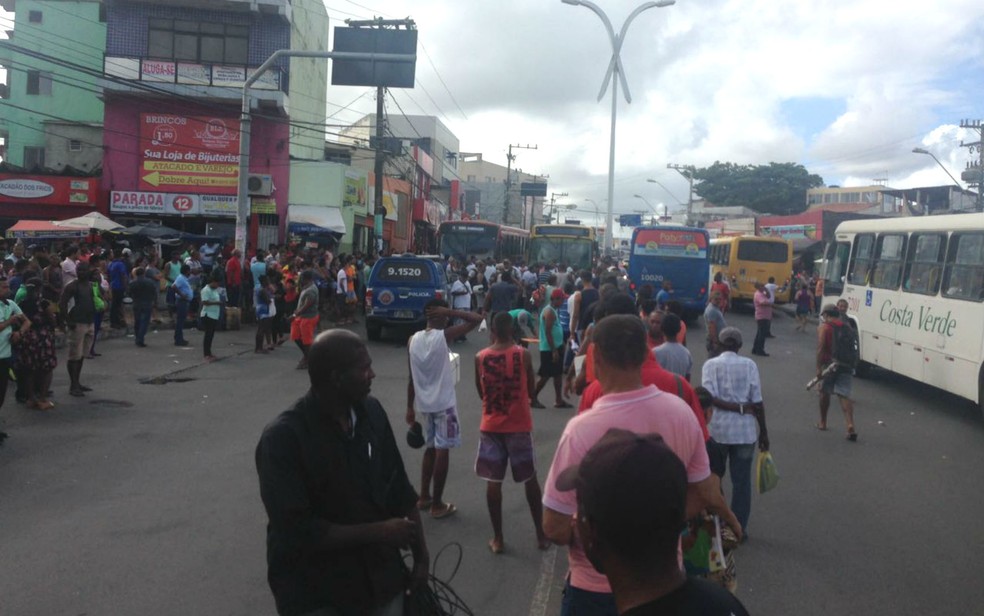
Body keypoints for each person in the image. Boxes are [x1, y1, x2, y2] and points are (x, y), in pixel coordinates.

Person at [543, 315, 740, 615]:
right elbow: (703, 490)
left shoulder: (582, 430)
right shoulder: (681, 413)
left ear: (597, 355)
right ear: (646, 351)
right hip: (665, 583)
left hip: (595, 591)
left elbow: (554, 527)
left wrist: (607, 533)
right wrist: (654, 526)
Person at [255, 330, 429, 616]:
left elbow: (398, 486)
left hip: (382, 581)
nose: (372, 374)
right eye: (364, 369)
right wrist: (380, 532)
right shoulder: (284, 438)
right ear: (336, 378)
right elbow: (297, 532)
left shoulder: (371, 413)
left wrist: (422, 557)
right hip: (319, 593)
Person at [554, 429, 750, 616]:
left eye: (580, 509)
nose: (575, 519)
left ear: (591, 535)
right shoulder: (722, 603)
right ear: (685, 529)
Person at [474, 312, 550, 554]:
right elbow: (530, 390)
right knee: (530, 479)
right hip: (518, 425)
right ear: (513, 330)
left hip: (491, 425)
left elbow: (481, 392)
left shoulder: (480, 357)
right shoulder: (523, 354)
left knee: (494, 482)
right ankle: (540, 535)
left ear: (492, 331)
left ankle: (498, 538)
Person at [406, 300, 483, 520]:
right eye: (445, 314)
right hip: (444, 404)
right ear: (440, 315)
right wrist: (450, 310)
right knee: (442, 450)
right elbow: (477, 320)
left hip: (424, 404)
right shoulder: (443, 336)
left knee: (430, 449)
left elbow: (411, 378)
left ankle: (424, 496)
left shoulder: (412, 340)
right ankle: (437, 503)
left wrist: (409, 408)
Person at [701, 326, 770, 536]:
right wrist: (763, 432)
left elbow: (709, 397)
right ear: (740, 346)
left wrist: (732, 407)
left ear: (720, 345)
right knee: (742, 483)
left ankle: (718, 523)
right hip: (744, 431)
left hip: (718, 430)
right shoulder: (749, 365)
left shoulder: (710, 365)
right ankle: (738, 527)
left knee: (715, 480)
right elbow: (757, 402)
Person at [817, 303, 857, 441]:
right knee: (844, 395)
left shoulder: (825, 328)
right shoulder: (848, 328)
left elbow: (821, 349)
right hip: (846, 365)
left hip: (830, 365)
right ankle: (850, 424)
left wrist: (818, 368)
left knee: (824, 392)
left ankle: (823, 422)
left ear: (826, 315)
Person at [59, 262, 97, 397]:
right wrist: (68, 321)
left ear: (89, 271)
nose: (81, 273)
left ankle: (77, 382)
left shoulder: (92, 285)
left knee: (81, 355)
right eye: (79, 270)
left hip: (89, 322)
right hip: (77, 323)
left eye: (84, 270)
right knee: (74, 356)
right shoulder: (72, 286)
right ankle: (73, 385)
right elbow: (62, 303)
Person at [1, 278, 31, 442]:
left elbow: (26, 321)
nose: (7, 289)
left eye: (7, 286)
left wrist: (19, 333)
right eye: (4, 287)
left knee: (1, 394)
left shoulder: (10, 304)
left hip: (4, 356)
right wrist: (10, 322)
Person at [532, 289, 569, 409]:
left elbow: (554, 330)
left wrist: (561, 343)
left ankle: (559, 400)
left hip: (555, 346)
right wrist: (554, 350)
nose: (563, 301)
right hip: (548, 349)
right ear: (556, 299)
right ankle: (532, 398)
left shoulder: (553, 310)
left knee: (557, 374)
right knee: (545, 375)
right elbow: (548, 332)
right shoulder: (549, 312)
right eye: (562, 299)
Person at [290, 270, 320, 370]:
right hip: (301, 316)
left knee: (306, 341)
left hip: (308, 317)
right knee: (295, 336)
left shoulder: (311, 290)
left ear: (306, 279)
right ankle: (307, 356)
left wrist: (295, 314)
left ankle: (308, 359)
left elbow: (307, 305)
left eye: (301, 278)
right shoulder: (306, 287)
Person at [653, 313, 693, 381]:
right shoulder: (686, 353)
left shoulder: (655, 352)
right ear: (679, 329)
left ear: (662, 328)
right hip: (679, 390)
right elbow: (687, 379)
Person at [128, 267, 158, 348]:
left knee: (137, 322)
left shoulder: (132, 283)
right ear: (144, 273)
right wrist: (153, 301)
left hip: (137, 303)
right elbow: (154, 293)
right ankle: (140, 339)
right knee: (144, 322)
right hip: (147, 303)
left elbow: (129, 293)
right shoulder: (149, 282)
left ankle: (138, 337)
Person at [200, 276, 223, 362]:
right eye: (216, 283)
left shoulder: (214, 290)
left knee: (211, 335)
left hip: (214, 315)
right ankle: (206, 354)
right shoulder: (206, 290)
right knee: (208, 335)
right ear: (213, 282)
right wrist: (217, 303)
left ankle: (209, 353)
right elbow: (205, 302)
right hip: (207, 315)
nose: (217, 285)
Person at [108, 250, 129, 329]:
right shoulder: (120, 264)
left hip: (113, 286)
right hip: (119, 286)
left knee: (114, 305)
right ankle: (116, 321)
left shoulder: (111, 264)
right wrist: (125, 287)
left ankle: (116, 321)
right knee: (118, 305)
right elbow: (123, 276)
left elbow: (109, 276)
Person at [450, 270, 473, 343]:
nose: (465, 279)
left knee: (465, 322)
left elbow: (470, 292)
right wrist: (461, 293)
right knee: (458, 322)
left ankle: (463, 335)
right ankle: (456, 337)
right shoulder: (456, 283)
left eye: (466, 277)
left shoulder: (467, 283)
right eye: (464, 277)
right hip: (459, 305)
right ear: (461, 276)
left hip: (467, 305)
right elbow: (453, 292)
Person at [751, 282, 773, 357]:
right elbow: (762, 302)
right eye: (762, 286)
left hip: (765, 315)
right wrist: (771, 304)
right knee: (762, 334)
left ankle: (755, 348)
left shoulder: (762, 293)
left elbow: (769, 296)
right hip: (761, 316)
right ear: (758, 287)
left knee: (759, 333)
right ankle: (760, 349)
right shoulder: (758, 294)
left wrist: (766, 290)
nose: (763, 287)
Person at [703, 293, 727, 358]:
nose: (718, 301)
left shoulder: (715, 308)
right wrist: (715, 342)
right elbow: (711, 327)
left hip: (718, 338)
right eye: (716, 299)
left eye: (720, 299)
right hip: (715, 339)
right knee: (714, 359)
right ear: (711, 299)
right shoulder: (712, 310)